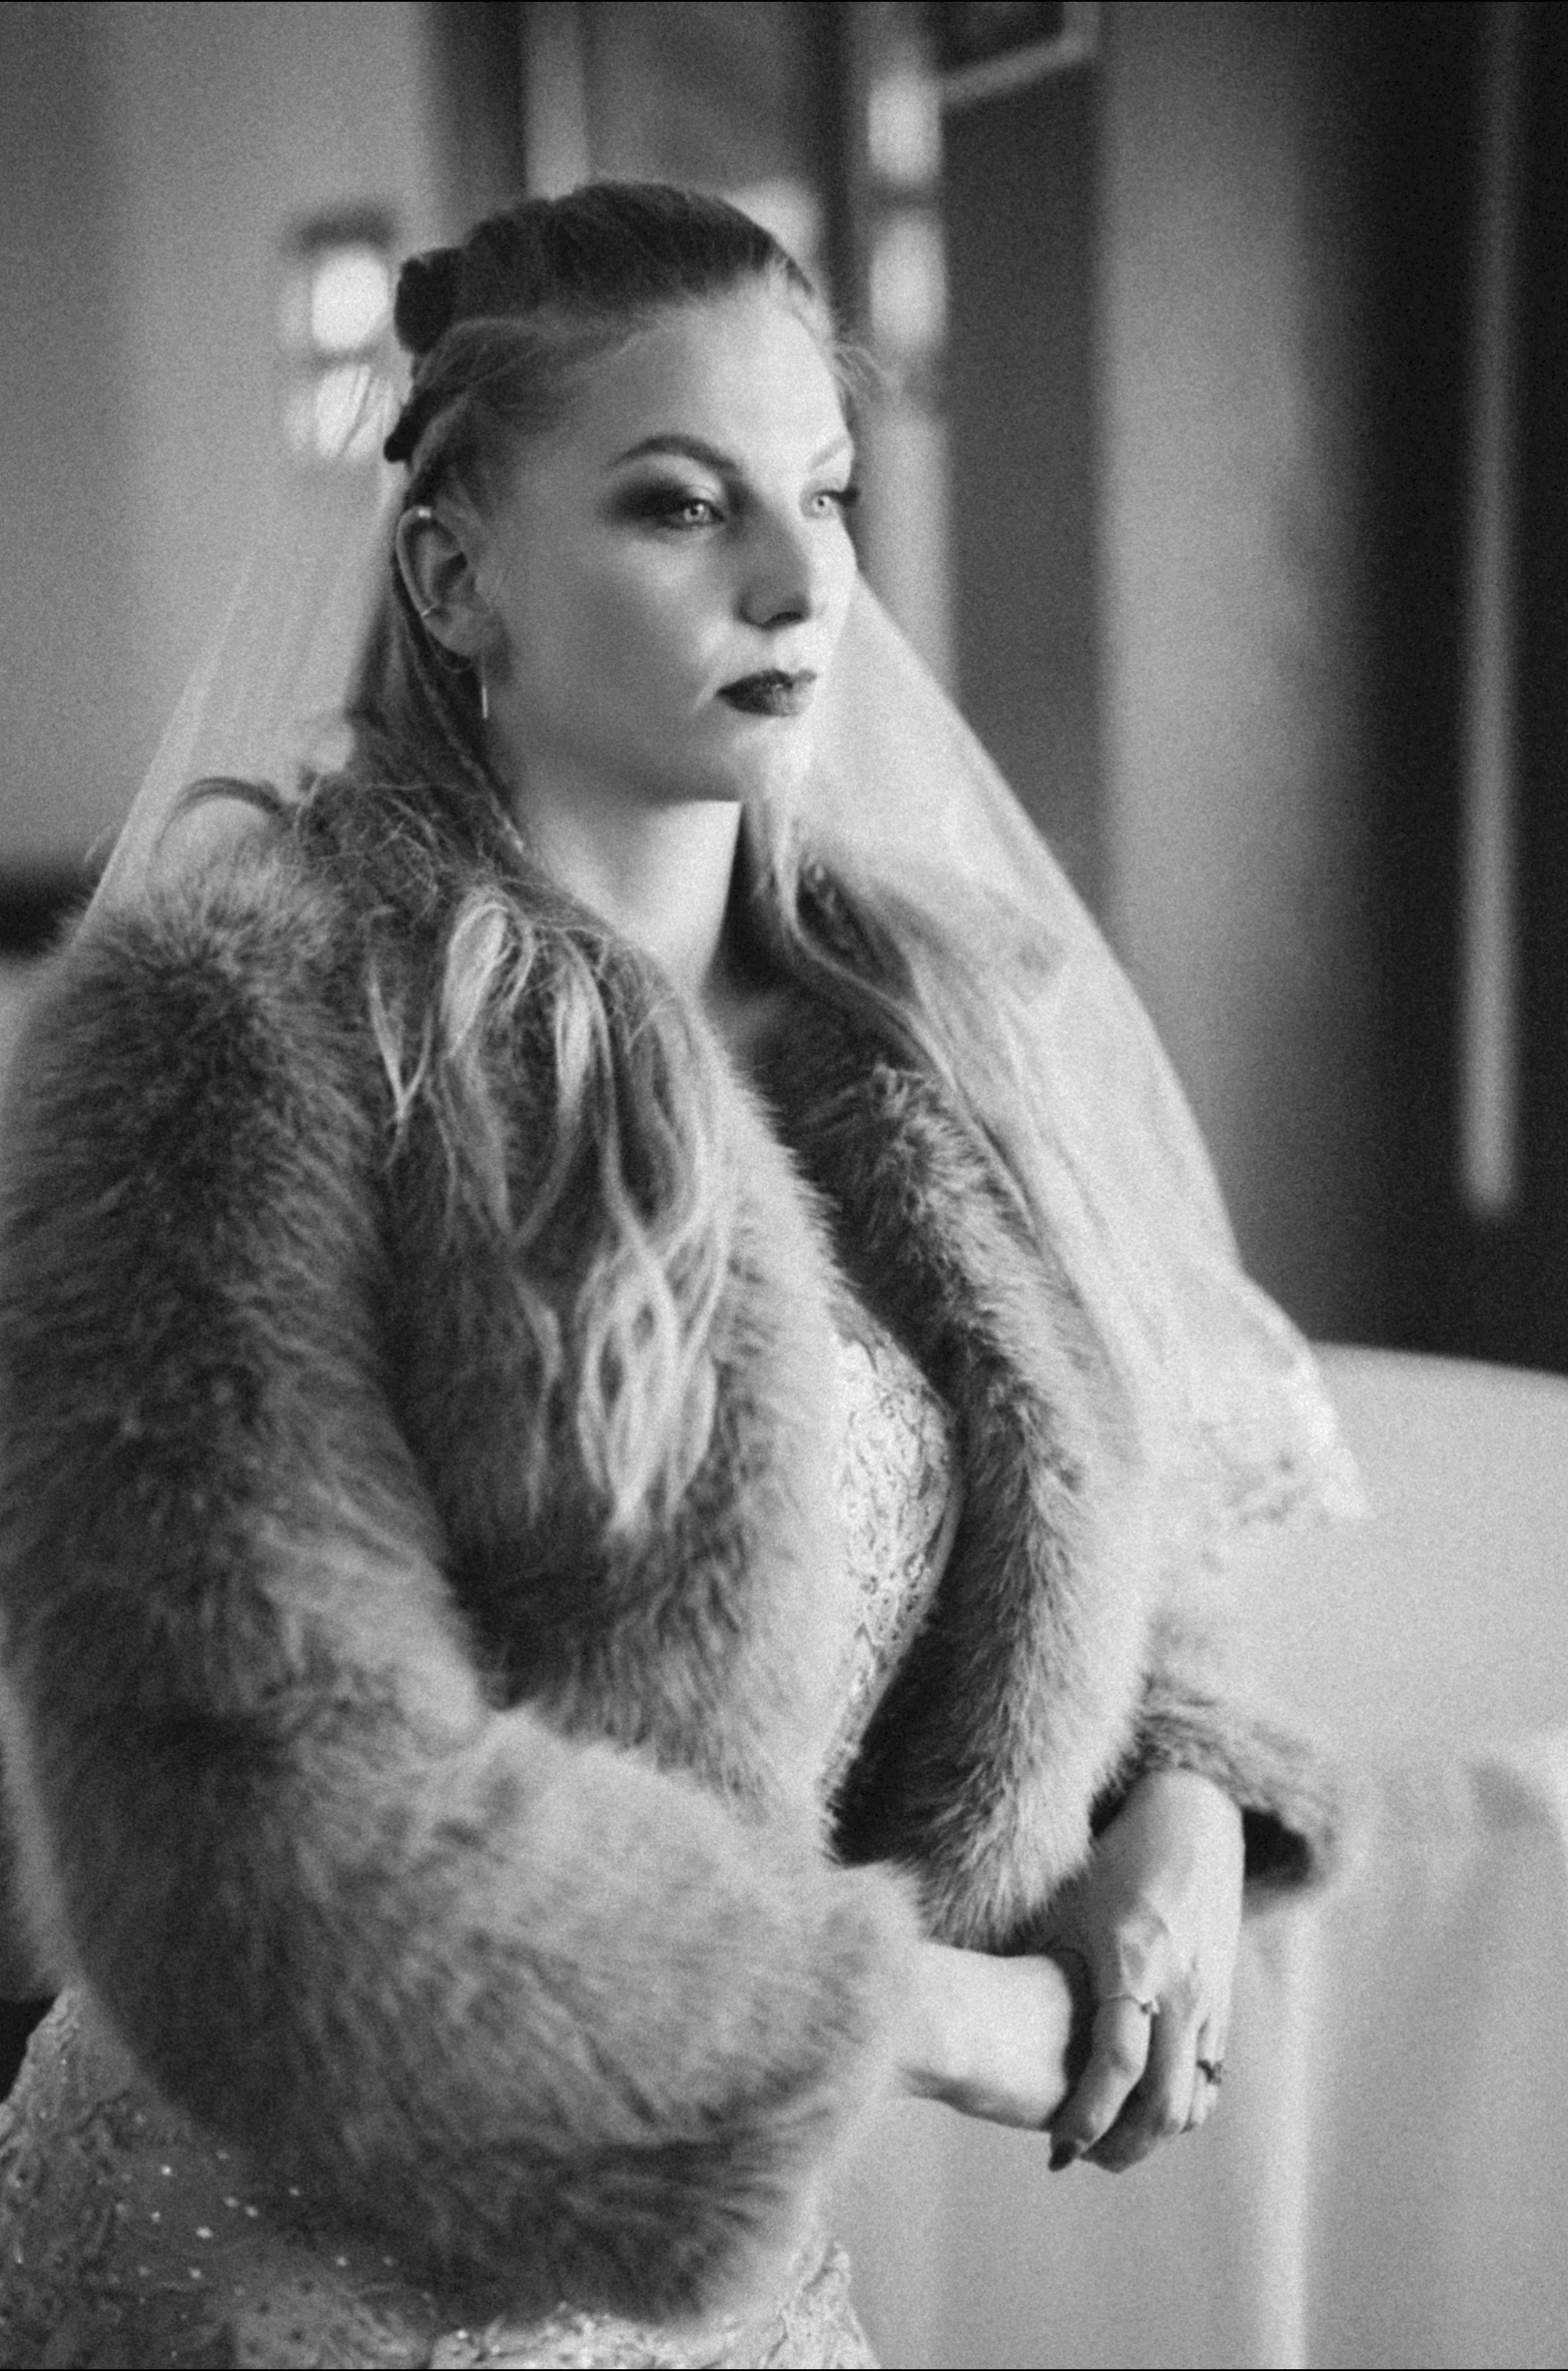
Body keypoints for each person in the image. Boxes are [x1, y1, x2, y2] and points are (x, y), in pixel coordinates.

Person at [0, 184, 1349, 2369]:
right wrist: (951, 2021)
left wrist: (1184, 1810)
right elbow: (248, 1807)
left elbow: (1109, 1506)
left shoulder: (924, 1018)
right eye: (677, 504)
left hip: (727, 2280)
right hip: (277, 2260)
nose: (802, 578)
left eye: (821, 491)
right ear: (453, 570)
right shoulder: (234, 1030)